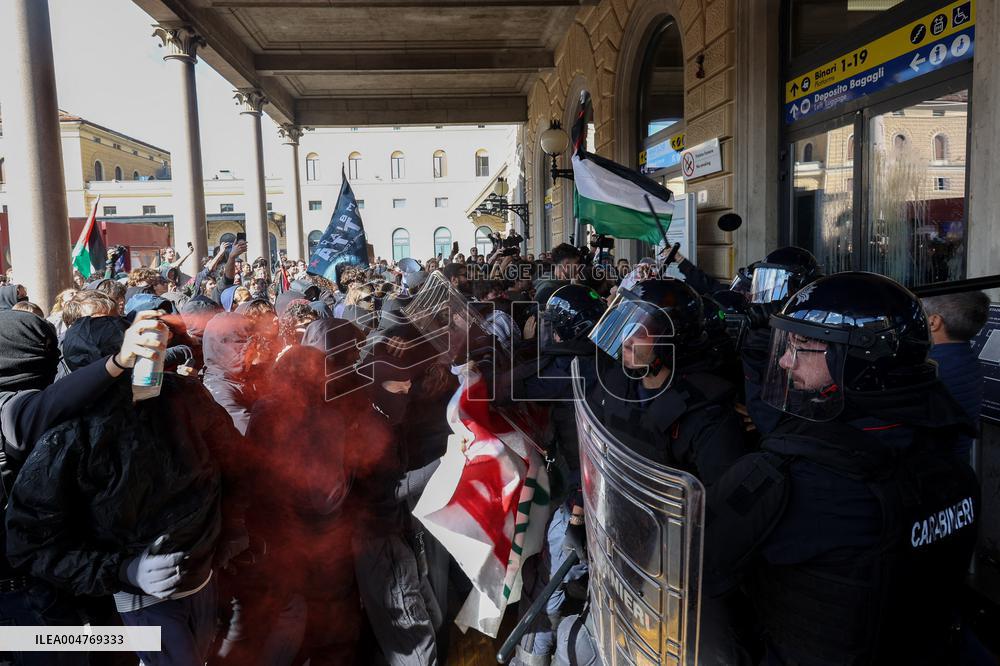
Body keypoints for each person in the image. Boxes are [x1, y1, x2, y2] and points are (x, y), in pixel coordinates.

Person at [706, 272, 980, 665]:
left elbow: (696, 564)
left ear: (857, 361)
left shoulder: (791, 479)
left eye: (802, 347)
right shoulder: (947, 455)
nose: (784, 361)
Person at [6, 313, 239, 666]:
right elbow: (30, 541)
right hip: (133, 597)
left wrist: (229, 533)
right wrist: (124, 570)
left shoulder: (183, 396)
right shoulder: (70, 431)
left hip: (197, 576)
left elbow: (235, 466)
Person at [922, 290, 990, 461]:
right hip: (956, 465)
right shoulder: (966, 357)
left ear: (933, 322)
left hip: (932, 469)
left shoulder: (932, 368)